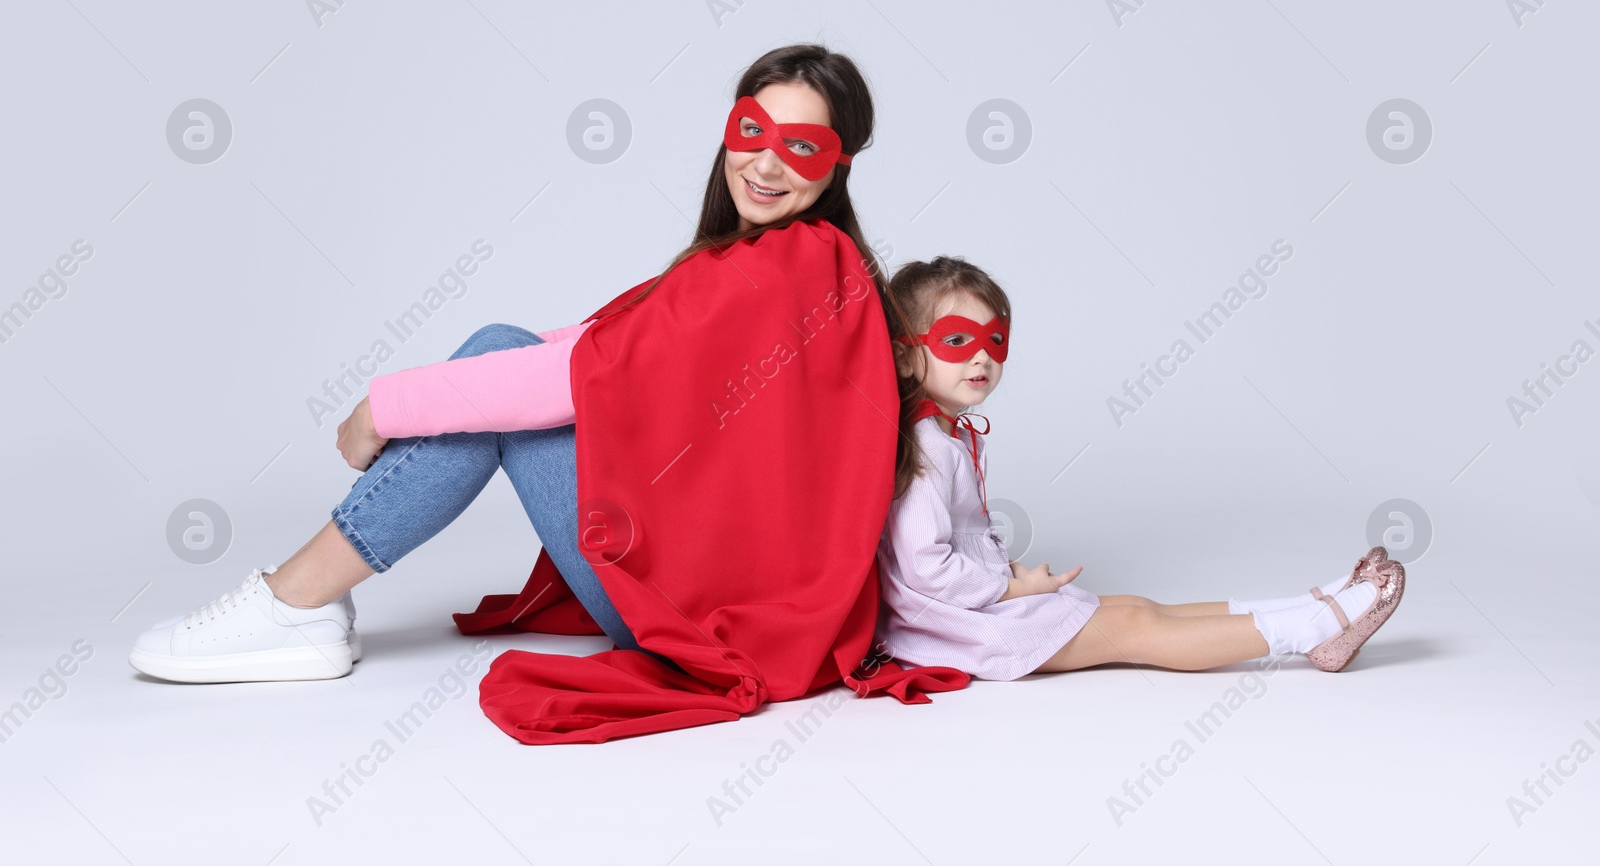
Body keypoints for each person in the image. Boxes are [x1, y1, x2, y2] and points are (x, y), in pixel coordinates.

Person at [128, 44, 917, 690]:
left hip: (696, 616)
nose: (766, 164)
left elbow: (577, 375)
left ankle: (295, 600)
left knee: (499, 384)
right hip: (739, 601)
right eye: (752, 131)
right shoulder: (813, 264)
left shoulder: (783, 266)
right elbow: (614, 343)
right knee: (505, 353)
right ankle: (302, 604)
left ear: (837, 164)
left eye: (800, 147)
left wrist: (382, 408)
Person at [874, 255, 1406, 680]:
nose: (982, 357)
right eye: (957, 340)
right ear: (904, 356)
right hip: (954, 627)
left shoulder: (951, 434)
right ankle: (1314, 629)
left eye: (995, 341)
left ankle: (1307, 603)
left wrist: (1010, 573)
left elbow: (959, 542)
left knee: (1135, 604)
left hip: (972, 605)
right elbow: (925, 568)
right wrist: (1014, 589)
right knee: (1132, 626)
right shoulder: (925, 446)